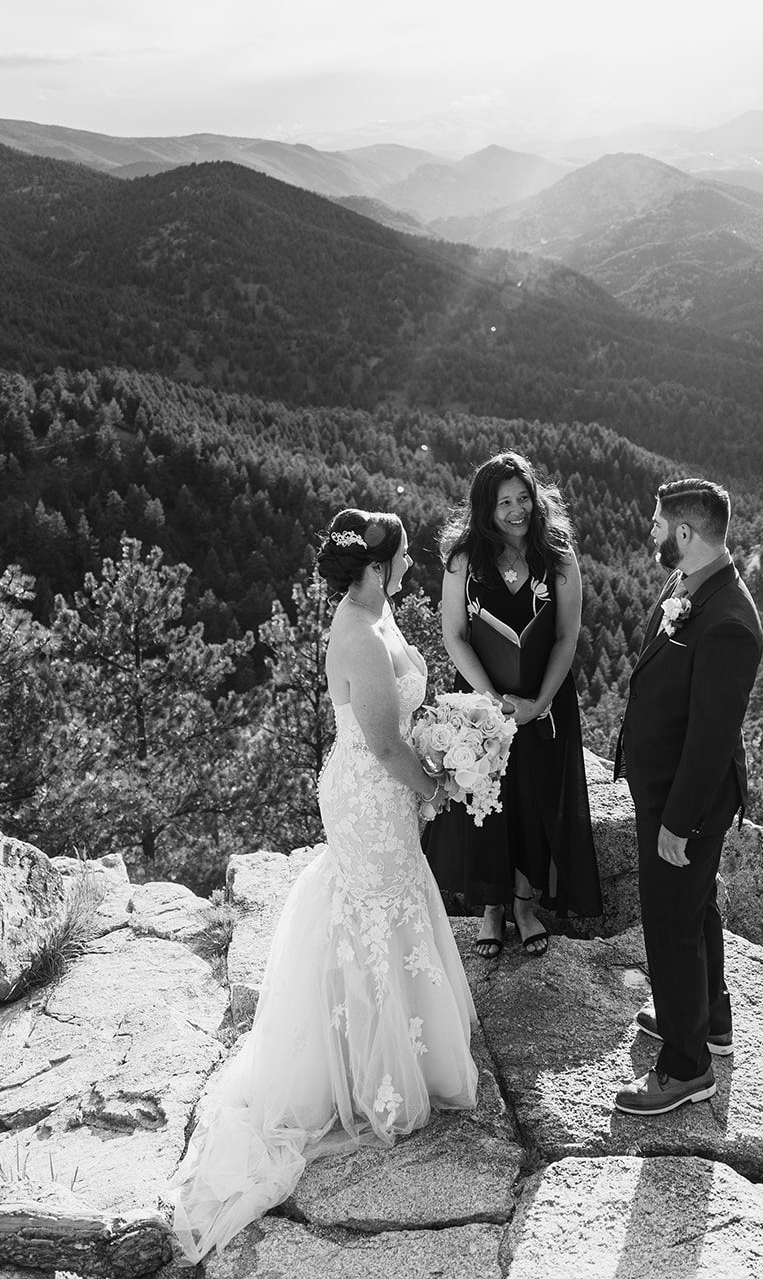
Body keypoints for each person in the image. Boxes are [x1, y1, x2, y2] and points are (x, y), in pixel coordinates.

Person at [169, 509, 478, 1261]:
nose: (412, 565)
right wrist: (436, 783)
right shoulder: (361, 634)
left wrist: (447, 741)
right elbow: (380, 742)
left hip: (385, 794)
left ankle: (395, 1046)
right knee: (374, 905)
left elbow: (401, 725)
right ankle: (362, 1069)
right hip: (372, 794)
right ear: (377, 566)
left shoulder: (378, 615)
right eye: (405, 556)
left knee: (392, 901)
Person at [613, 478, 762, 1117]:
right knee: (695, 908)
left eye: (656, 525)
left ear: (684, 534)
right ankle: (710, 1019)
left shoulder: (727, 620)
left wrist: (677, 822)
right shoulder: (690, 589)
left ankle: (685, 1065)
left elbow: (710, 740)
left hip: (686, 799)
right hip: (665, 787)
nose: (649, 534)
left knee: (670, 922)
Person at [423, 451, 602, 956]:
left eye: (524, 498)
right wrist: (490, 702)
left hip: (546, 704)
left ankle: (524, 905)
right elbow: (455, 636)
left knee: (535, 797)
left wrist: (539, 702)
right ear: (486, 507)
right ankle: (492, 907)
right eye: (505, 503)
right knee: (487, 800)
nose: (518, 510)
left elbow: (567, 636)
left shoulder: (558, 555)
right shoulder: (464, 559)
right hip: (482, 705)